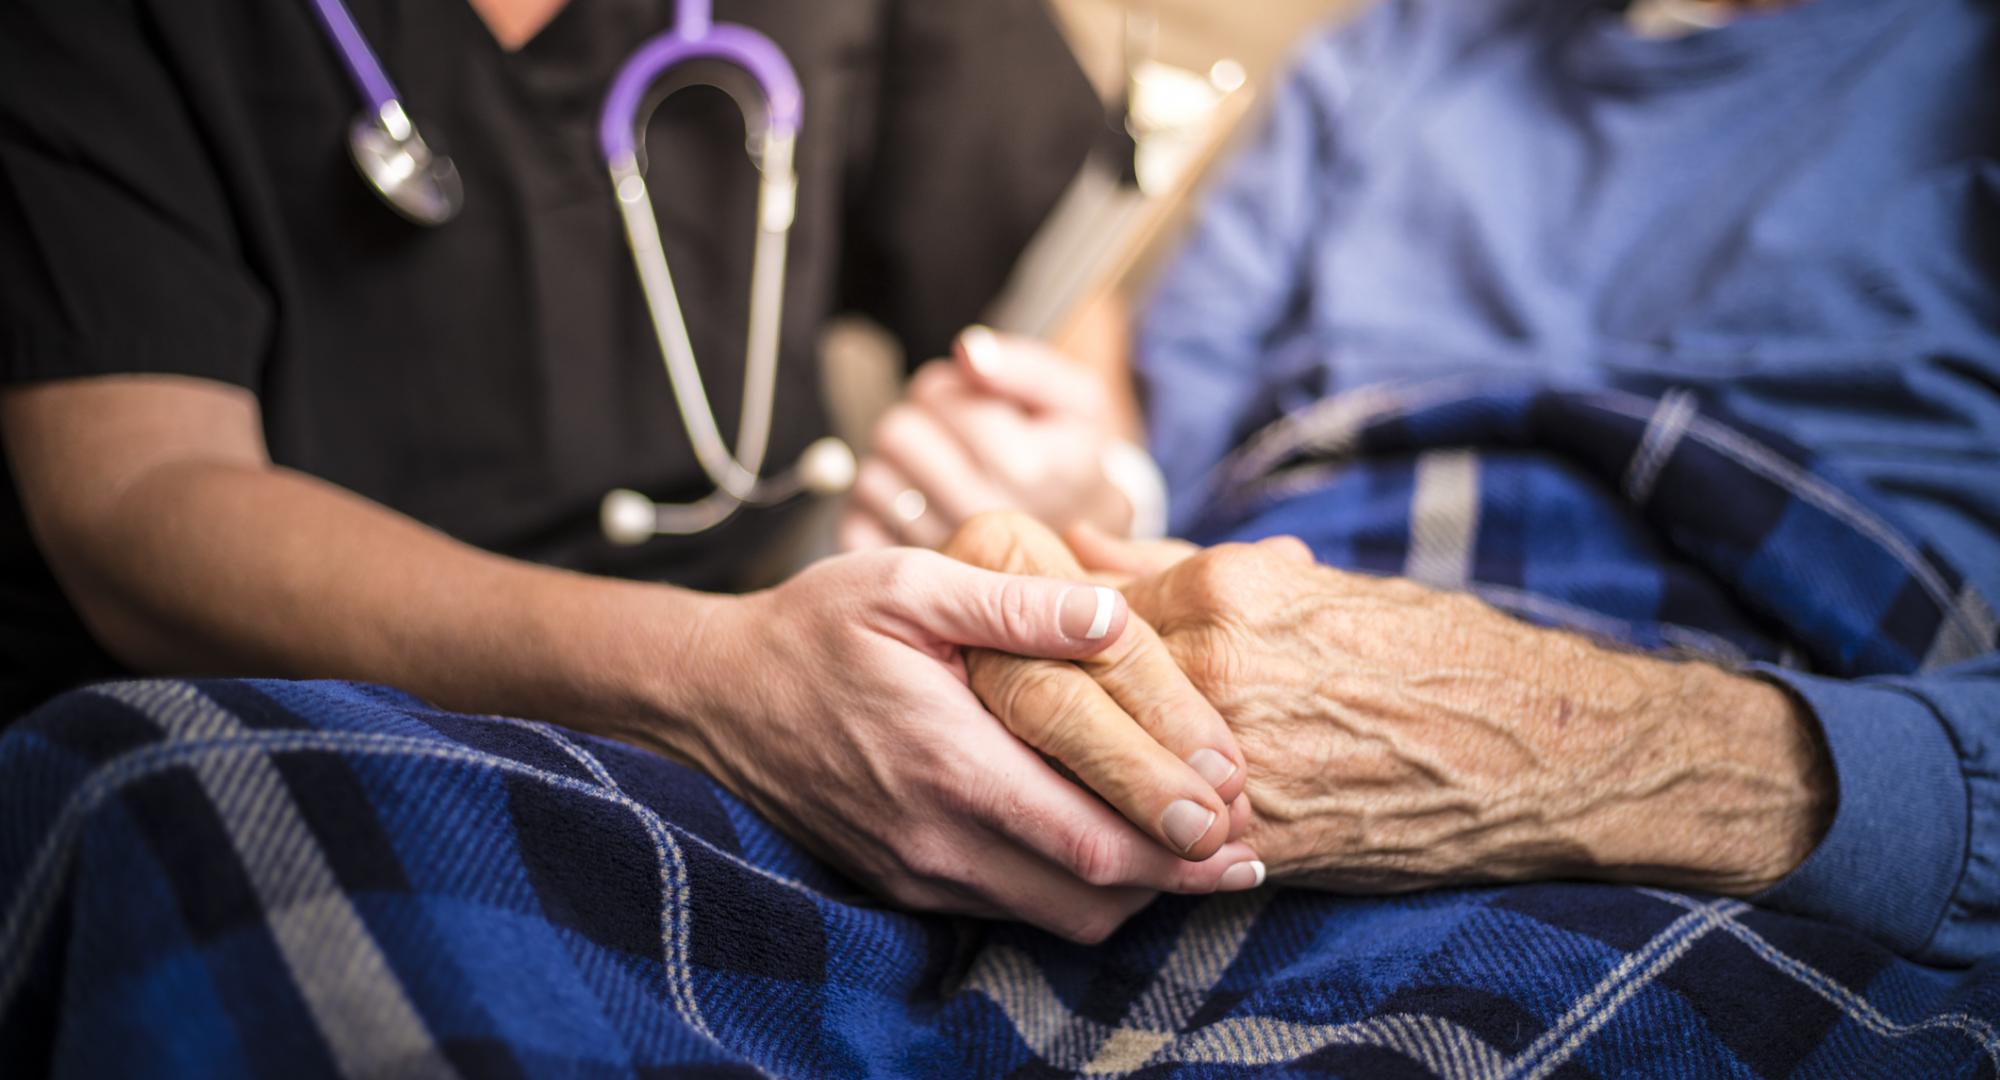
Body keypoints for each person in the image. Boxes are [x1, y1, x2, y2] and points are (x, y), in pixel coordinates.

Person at [0, 0, 1271, 942]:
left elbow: (1050, 297)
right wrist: (710, 682)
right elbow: (135, 499)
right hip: (299, 731)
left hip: (798, 706)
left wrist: (1076, 482)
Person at [851, 0, 2000, 965]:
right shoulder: (1386, 53)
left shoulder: (1958, 73)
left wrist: (1576, 752)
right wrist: (1083, 494)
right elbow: (1166, 473)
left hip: (1782, 717)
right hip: (1255, 646)